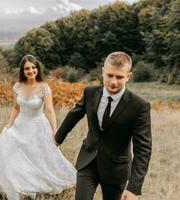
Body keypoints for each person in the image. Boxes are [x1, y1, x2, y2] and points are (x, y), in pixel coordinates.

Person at [0, 54, 76, 200]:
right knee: (8, 153)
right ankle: (10, 182)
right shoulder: (18, 86)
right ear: (23, 71)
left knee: (39, 158)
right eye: (27, 68)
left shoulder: (44, 88)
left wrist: (55, 132)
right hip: (20, 124)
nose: (31, 71)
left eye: (33, 67)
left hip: (37, 126)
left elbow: (50, 111)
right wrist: (9, 124)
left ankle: (36, 180)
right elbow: (16, 107)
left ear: (37, 69)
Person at [54, 51, 152, 200]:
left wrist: (134, 187)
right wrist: (57, 139)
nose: (113, 81)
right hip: (87, 162)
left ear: (128, 76)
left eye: (119, 77)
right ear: (103, 72)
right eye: (109, 75)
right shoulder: (90, 92)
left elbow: (143, 148)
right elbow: (74, 115)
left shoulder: (139, 106)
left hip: (116, 170)